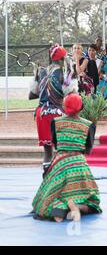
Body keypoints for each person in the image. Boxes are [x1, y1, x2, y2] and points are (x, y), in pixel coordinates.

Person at [31, 93, 101, 222]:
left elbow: (55, 144)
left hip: (60, 163)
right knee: (92, 201)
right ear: (81, 108)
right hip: (79, 165)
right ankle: (77, 206)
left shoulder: (56, 122)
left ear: (64, 107)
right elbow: (87, 149)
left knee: (44, 200)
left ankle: (59, 209)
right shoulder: (89, 125)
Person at [34, 45, 67, 174]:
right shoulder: (64, 73)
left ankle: (46, 176)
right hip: (57, 112)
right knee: (61, 148)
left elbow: (32, 94)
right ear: (61, 59)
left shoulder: (41, 71)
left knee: (47, 150)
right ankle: (60, 178)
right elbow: (69, 92)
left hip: (41, 112)